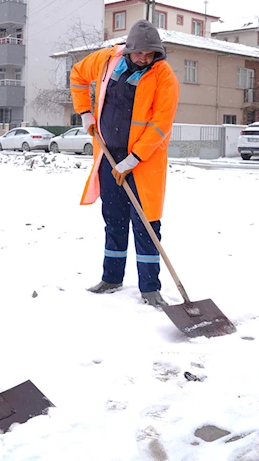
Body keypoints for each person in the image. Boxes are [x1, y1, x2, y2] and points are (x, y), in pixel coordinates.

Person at [69, 20, 180, 307]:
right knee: (114, 219)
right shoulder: (107, 60)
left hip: (144, 162)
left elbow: (160, 125)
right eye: (139, 53)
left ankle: (150, 288)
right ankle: (112, 277)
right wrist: (84, 112)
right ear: (129, 50)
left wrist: (133, 159)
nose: (144, 59)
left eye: (150, 54)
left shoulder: (164, 77)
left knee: (146, 224)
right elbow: (78, 75)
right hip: (108, 156)